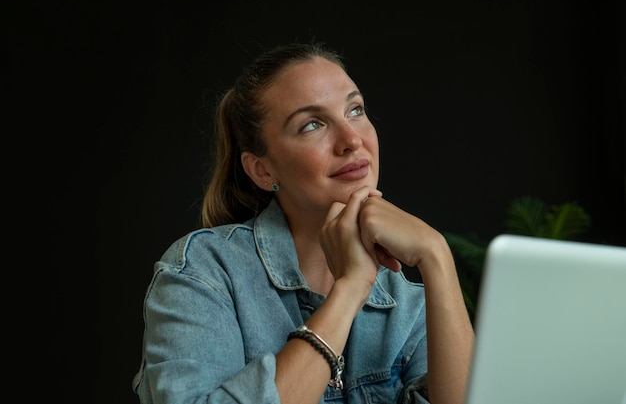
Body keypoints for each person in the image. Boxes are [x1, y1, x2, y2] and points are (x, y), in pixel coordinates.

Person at [132, 41, 475, 404]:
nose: (351, 140)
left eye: (355, 110)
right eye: (312, 124)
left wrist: (437, 257)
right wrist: (351, 287)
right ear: (263, 171)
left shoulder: (407, 306)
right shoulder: (204, 271)